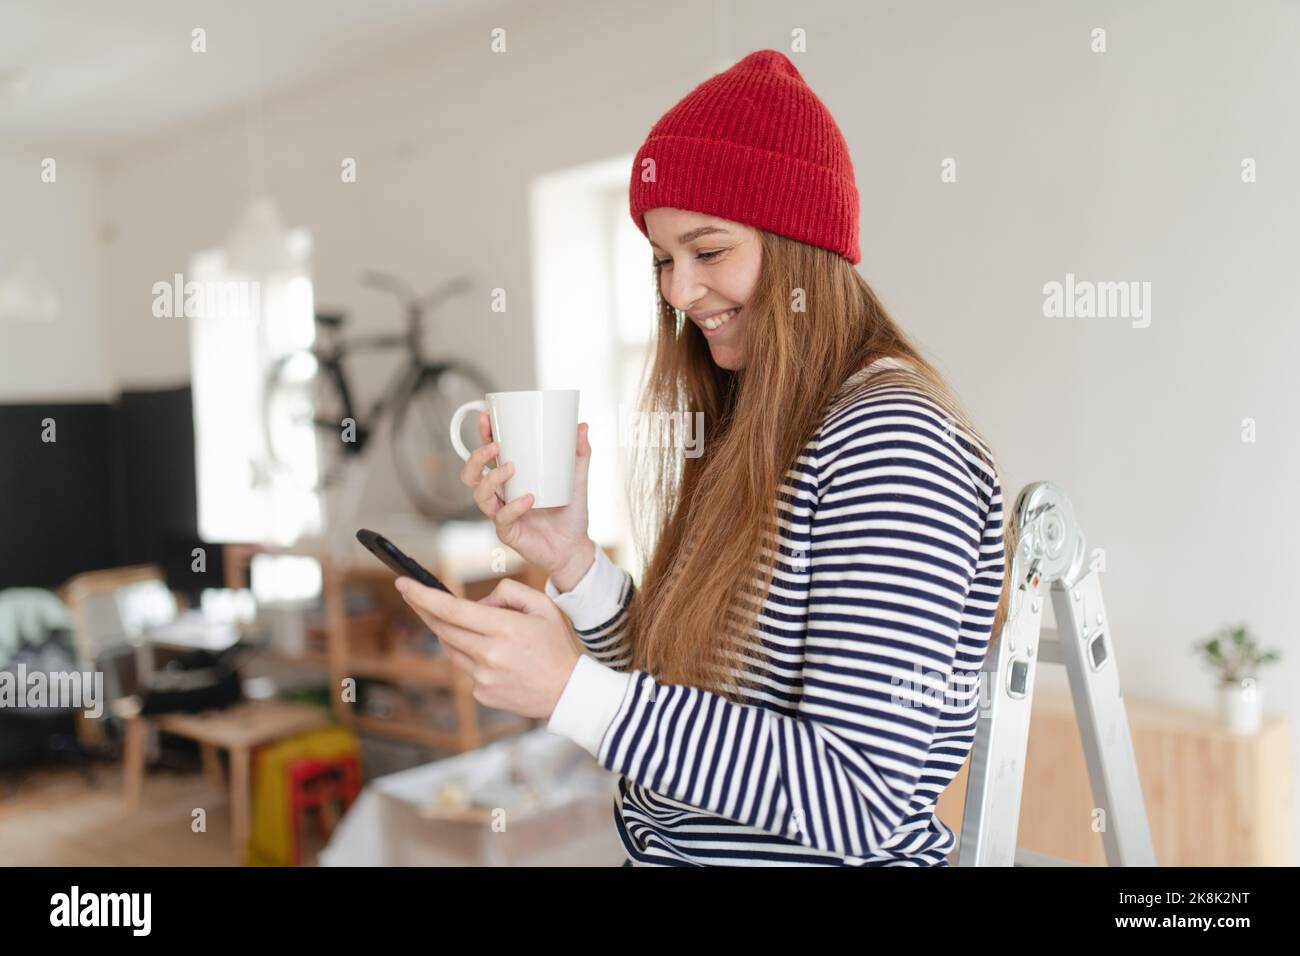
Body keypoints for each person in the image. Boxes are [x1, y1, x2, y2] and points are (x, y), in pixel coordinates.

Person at [397, 49, 1012, 867]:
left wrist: (574, 692)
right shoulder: (763, 419)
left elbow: (859, 796)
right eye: (662, 259)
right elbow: (699, 693)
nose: (678, 292)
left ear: (801, 245)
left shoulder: (889, 441)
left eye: (709, 251)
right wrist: (574, 564)